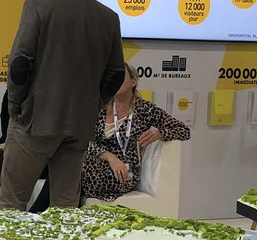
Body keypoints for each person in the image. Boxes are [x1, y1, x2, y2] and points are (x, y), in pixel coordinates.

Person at [0, 0, 124, 210]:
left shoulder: (37, 5)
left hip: (34, 120)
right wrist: (94, 104)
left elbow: (19, 63)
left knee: (13, 202)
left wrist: (16, 108)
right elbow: (116, 75)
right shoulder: (108, 17)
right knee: (66, 207)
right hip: (79, 123)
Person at [81, 63, 190, 201]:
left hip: (124, 171)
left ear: (133, 82)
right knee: (70, 162)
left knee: (77, 171)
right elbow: (83, 140)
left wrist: (160, 134)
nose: (114, 81)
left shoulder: (145, 110)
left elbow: (184, 130)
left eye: (120, 76)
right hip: (96, 161)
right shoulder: (100, 107)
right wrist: (109, 157)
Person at [0, 92, 50, 210]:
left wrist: (0, 148)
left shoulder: (43, 97)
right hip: (22, 152)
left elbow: (38, 137)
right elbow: (9, 133)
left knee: (8, 156)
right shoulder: (10, 96)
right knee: (6, 157)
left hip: (45, 156)